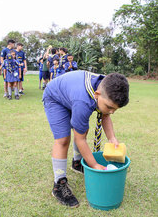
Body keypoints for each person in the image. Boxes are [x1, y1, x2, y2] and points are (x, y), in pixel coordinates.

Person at [42, 70, 129, 207]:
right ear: (97, 95)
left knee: (83, 128)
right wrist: (94, 164)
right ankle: (59, 184)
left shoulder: (105, 87)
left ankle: (77, 163)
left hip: (72, 95)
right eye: (109, 107)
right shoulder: (83, 101)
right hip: (55, 98)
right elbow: (80, 140)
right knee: (63, 139)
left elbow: (105, 115)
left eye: (115, 110)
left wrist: (111, 138)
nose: (111, 111)